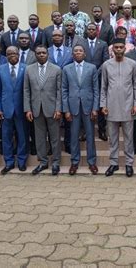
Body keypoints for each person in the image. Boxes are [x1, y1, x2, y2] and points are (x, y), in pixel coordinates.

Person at [101, 38, 136, 177]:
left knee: (129, 138)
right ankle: (114, 163)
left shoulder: (132, 64)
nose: (118, 50)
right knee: (113, 138)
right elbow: (103, 87)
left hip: (128, 107)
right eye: (116, 47)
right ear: (112, 49)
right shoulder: (106, 65)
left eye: (121, 47)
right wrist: (103, 104)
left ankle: (129, 164)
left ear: (125, 49)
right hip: (111, 107)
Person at [24, 45, 63, 175]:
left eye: (43, 53)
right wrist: (27, 109)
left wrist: (59, 108)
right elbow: (26, 90)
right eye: (38, 53)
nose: (41, 55)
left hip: (52, 109)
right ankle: (43, 162)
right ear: (35, 55)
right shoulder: (29, 69)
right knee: (39, 137)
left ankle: (56, 162)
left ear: (48, 54)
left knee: (55, 137)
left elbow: (59, 91)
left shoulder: (56, 69)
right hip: (36, 109)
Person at [62, 45, 99, 175]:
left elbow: (96, 90)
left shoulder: (92, 68)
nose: (78, 52)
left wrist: (95, 108)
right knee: (73, 136)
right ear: (72, 54)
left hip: (88, 107)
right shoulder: (66, 69)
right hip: (73, 108)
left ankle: (92, 162)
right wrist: (66, 110)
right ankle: (74, 162)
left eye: (80, 50)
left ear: (84, 53)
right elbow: (64, 90)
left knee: (90, 136)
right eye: (75, 51)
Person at [0, 46, 29, 174]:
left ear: (19, 54)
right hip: (5, 109)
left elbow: (29, 91)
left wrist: (28, 108)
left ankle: (21, 161)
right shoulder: (0, 69)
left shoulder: (26, 68)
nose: (12, 55)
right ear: (6, 55)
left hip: (21, 109)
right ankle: (8, 162)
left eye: (14, 53)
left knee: (22, 136)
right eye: (9, 53)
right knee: (6, 137)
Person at [84, 22, 110, 141]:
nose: (91, 31)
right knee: (86, 104)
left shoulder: (103, 44)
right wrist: (88, 73)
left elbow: (105, 61)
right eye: (89, 29)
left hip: (99, 78)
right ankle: (85, 131)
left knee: (100, 105)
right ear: (86, 31)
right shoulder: (81, 43)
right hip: (84, 79)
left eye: (93, 29)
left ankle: (102, 130)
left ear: (97, 31)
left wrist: (95, 72)